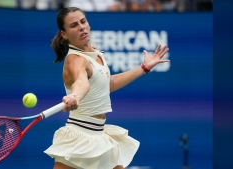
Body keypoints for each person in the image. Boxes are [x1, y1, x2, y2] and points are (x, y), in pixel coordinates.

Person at [44, 7, 170, 169]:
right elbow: (81, 83)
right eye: (74, 25)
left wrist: (143, 68)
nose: (81, 27)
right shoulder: (75, 60)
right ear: (64, 34)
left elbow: (108, 84)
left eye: (83, 21)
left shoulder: (95, 52)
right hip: (79, 138)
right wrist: (75, 95)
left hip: (99, 136)